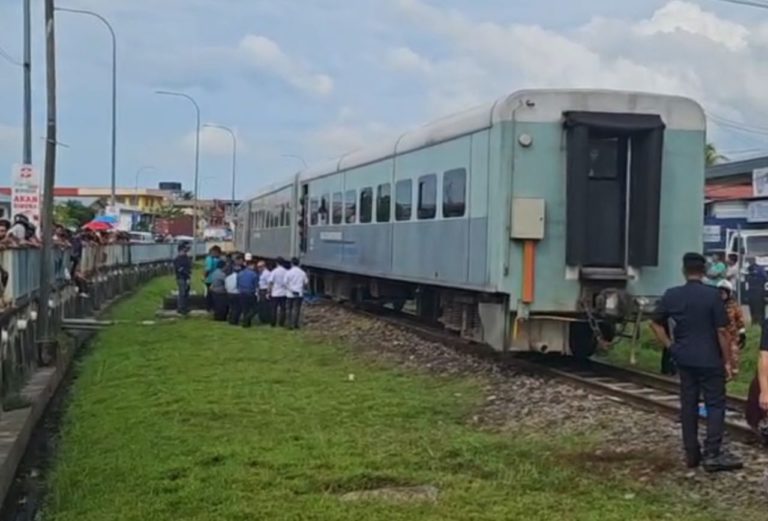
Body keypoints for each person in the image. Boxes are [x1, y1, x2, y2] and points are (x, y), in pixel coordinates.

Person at [650, 252, 743, 472]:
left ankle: (691, 453)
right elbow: (722, 332)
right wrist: (728, 361)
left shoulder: (672, 295)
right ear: (703, 272)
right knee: (715, 404)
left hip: (684, 358)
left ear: (684, 271)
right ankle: (713, 453)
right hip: (710, 358)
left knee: (688, 404)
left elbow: (655, 324)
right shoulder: (712, 296)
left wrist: (671, 346)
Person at [718, 280, 746, 376]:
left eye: (724, 292)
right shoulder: (715, 305)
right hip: (719, 335)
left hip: (732, 335)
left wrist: (742, 333)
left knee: (733, 354)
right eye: (720, 291)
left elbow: (740, 319)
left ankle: (734, 374)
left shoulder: (733, 305)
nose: (722, 294)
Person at [285, 257, 308, 330]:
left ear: (291, 263)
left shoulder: (288, 272)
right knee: (297, 309)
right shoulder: (302, 273)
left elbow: (285, 283)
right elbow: (306, 282)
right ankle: (295, 324)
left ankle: (289, 325)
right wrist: (302, 287)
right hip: (299, 293)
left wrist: (290, 289)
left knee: (289, 309)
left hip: (290, 293)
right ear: (298, 264)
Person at [237, 261, 259, 328]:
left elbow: (237, 284)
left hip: (241, 293)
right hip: (250, 293)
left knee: (245, 309)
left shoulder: (240, 273)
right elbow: (256, 285)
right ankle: (246, 320)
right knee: (255, 308)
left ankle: (246, 323)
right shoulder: (254, 274)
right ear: (250, 265)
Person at [745, 259, 767, 326]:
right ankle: (757, 323)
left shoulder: (749, 277)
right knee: (757, 311)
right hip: (757, 294)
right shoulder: (750, 277)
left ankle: (757, 323)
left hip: (757, 294)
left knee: (756, 311)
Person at [173, 244, 192, 316]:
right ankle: (180, 308)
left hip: (187, 277)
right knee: (182, 293)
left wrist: (189, 276)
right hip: (181, 277)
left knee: (186, 292)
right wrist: (187, 274)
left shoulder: (186, 258)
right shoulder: (177, 259)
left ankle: (185, 307)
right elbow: (180, 269)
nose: (186, 252)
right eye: (184, 250)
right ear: (180, 250)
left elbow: (189, 267)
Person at [270, 258, 288, 327]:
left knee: (273, 309)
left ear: (277, 263)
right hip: (283, 293)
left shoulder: (274, 271)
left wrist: (269, 291)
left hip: (275, 293)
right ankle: (281, 323)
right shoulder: (286, 271)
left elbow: (270, 282)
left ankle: (273, 323)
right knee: (283, 309)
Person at [257, 260, 272, 324]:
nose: (258, 268)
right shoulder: (261, 273)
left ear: (264, 266)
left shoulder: (267, 273)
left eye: (260, 267)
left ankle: (266, 319)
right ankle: (262, 318)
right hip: (261, 290)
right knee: (261, 305)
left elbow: (269, 283)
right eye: (258, 267)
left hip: (264, 290)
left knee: (265, 306)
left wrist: (268, 293)